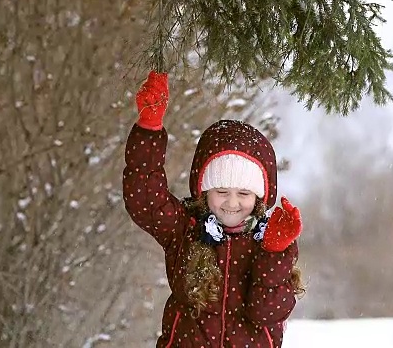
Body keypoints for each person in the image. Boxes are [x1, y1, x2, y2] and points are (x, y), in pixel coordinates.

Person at [122, 71, 305, 348]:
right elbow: (145, 199)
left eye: (243, 193)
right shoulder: (185, 230)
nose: (232, 203)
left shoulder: (269, 243)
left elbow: (266, 312)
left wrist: (275, 251)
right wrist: (149, 128)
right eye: (221, 191)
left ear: (260, 197)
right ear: (204, 191)